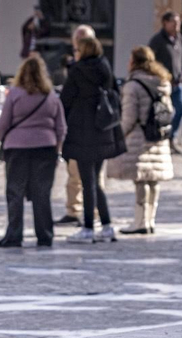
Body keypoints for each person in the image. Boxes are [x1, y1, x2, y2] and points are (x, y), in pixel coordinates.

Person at [0, 53, 64, 248]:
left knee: (15, 193)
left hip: (17, 148)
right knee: (42, 194)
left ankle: (14, 235)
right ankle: (45, 234)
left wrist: (6, 140)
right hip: (46, 148)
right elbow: (61, 127)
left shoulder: (15, 94)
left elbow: (3, 123)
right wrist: (57, 149)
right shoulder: (50, 96)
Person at [60, 32, 122, 244]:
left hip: (83, 131)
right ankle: (106, 225)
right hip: (103, 130)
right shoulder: (105, 68)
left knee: (88, 182)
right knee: (95, 181)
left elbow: (65, 99)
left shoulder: (77, 71)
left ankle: (88, 227)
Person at [112, 46, 174, 235]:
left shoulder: (133, 86)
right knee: (154, 180)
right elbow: (170, 110)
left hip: (139, 136)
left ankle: (139, 221)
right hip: (158, 134)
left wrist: (119, 135)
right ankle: (150, 220)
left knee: (141, 180)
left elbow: (129, 117)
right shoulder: (162, 82)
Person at [58, 23, 102, 226]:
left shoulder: (81, 70)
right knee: (75, 173)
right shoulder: (101, 67)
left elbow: (67, 100)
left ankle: (91, 213)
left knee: (90, 176)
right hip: (87, 129)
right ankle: (75, 209)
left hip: (86, 129)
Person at [149, 12, 182, 150]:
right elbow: (151, 61)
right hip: (164, 84)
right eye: (174, 22)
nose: (177, 25)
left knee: (181, 110)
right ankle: (162, 139)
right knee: (164, 113)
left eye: (178, 22)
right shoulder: (157, 40)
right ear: (165, 23)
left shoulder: (179, 38)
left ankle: (172, 137)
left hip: (178, 83)